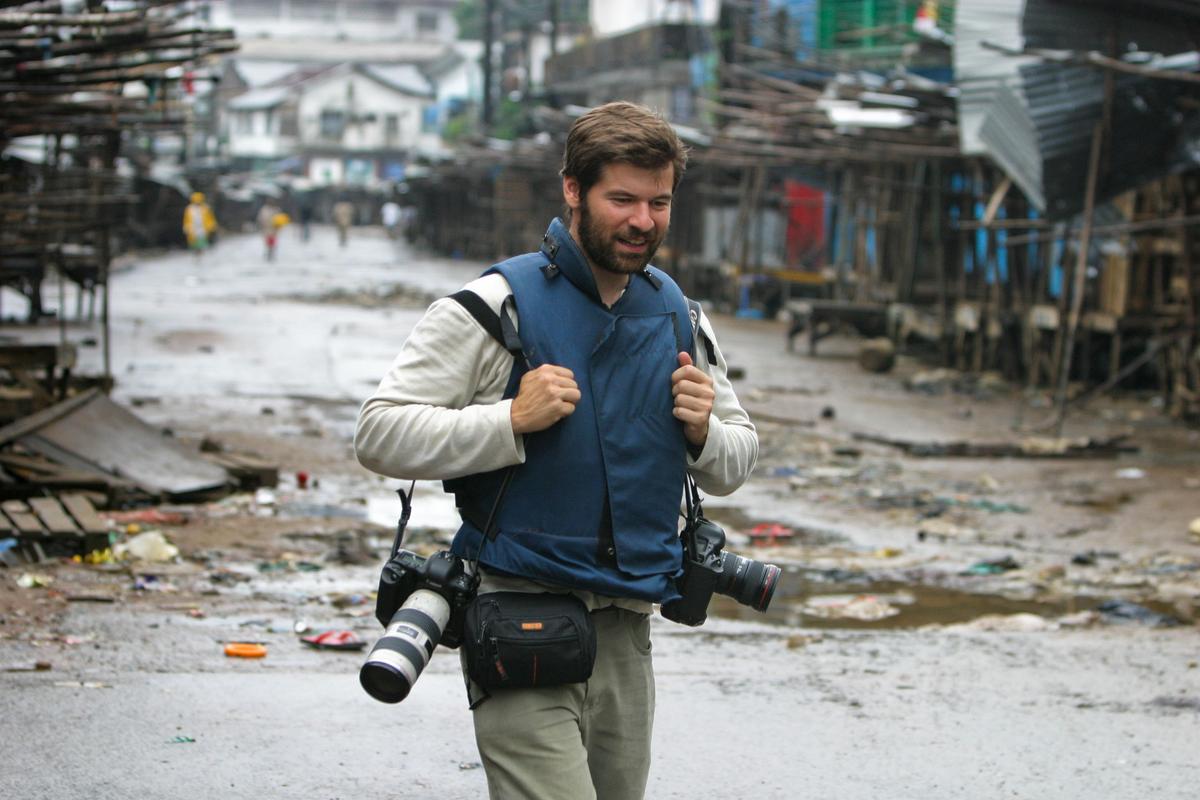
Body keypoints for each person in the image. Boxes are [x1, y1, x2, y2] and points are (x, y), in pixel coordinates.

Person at [354, 102, 757, 800]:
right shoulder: (495, 306)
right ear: (573, 189)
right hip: (519, 621)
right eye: (622, 199)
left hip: (629, 630)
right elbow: (380, 432)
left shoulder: (678, 315)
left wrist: (703, 433)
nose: (643, 221)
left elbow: (735, 463)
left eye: (659, 202)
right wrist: (508, 419)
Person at [182, 192, 216, 257]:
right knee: (193, 242)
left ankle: (202, 254)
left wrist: (212, 225)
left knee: (202, 242)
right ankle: (196, 254)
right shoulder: (189, 209)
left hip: (203, 228)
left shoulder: (206, 208)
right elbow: (186, 219)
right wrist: (186, 227)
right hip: (193, 229)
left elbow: (210, 217)